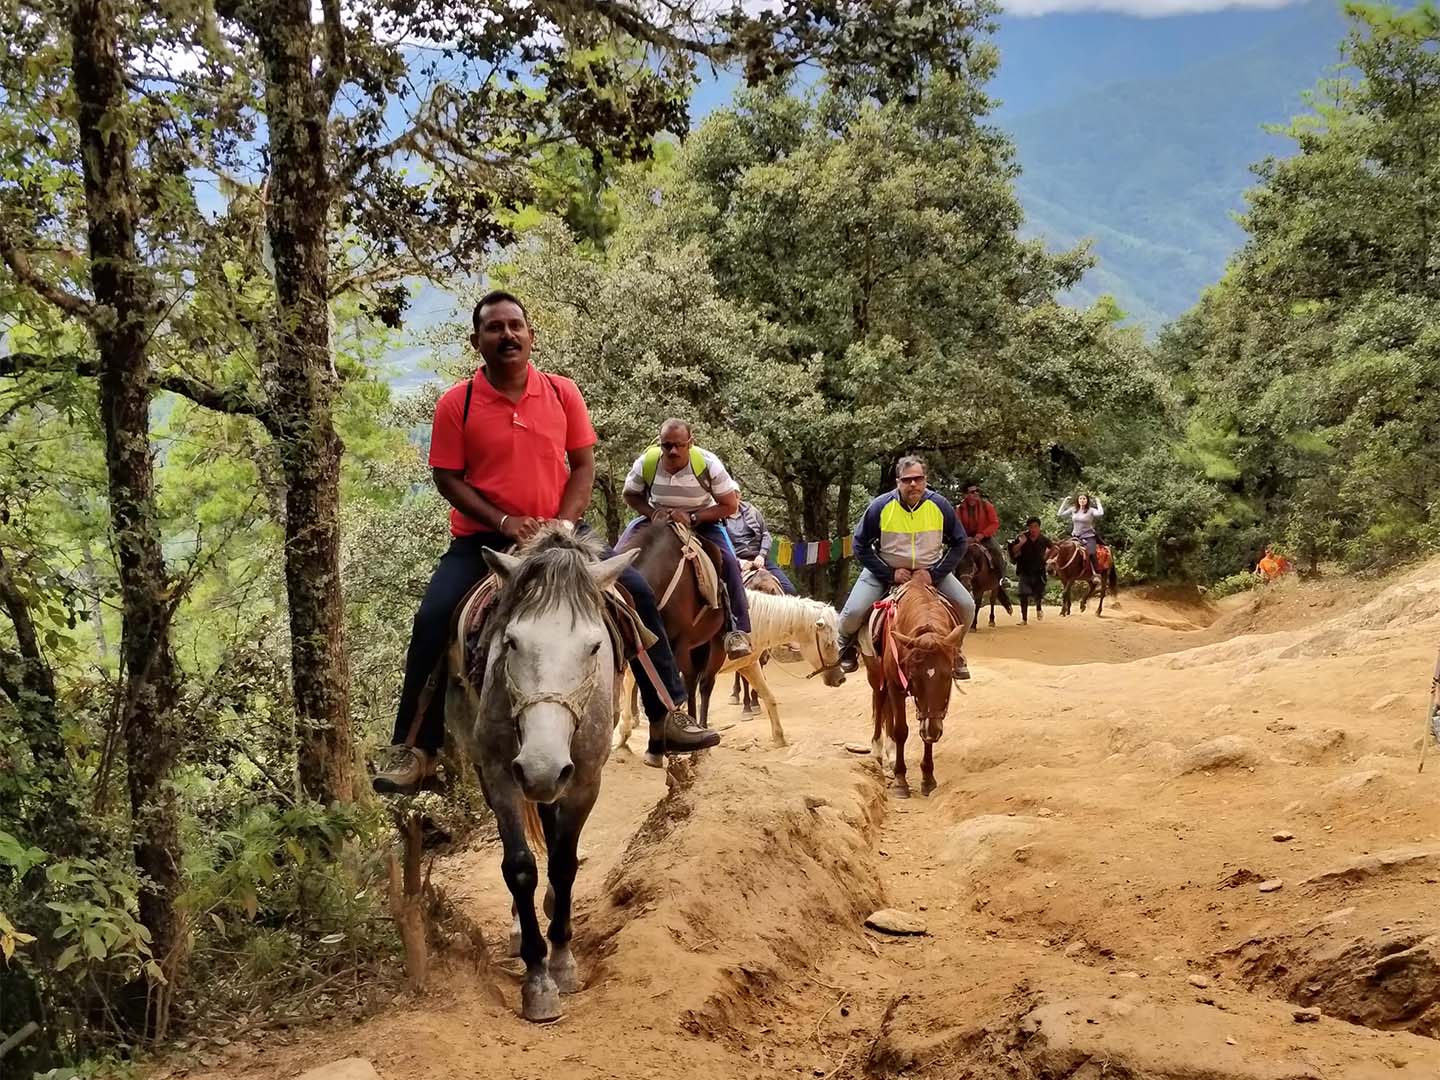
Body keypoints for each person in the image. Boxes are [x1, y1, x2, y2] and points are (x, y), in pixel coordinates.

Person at [372, 292, 718, 794]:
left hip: (561, 534)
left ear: (531, 336)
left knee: (634, 595)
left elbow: (582, 466)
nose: (507, 335)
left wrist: (562, 522)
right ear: (478, 341)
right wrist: (505, 520)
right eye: (495, 328)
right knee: (432, 618)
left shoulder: (561, 393)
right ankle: (415, 748)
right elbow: (447, 477)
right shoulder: (458, 402)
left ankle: (667, 714)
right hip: (484, 540)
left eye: (516, 326)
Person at [620, 420, 754, 661]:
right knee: (616, 558)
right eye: (667, 446)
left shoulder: (709, 465)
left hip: (703, 522)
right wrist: (652, 513)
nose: (672, 451)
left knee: (730, 563)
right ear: (660, 444)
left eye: (679, 446)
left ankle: (738, 630)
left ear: (690, 443)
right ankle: (607, 615)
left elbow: (730, 505)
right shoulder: (647, 463)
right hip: (656, 520)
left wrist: (693, 517)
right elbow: (630, 495)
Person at [836, 455, 976, 679]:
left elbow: (959, 542)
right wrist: (889, 572)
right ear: (898, 482)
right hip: (885, 571)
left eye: (918, 479)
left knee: (967, 606)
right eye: (907, 480)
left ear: (925, 479)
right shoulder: (880, 506)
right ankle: (844, 646)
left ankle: (955, 649)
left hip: (930, 572)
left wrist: (934, 573)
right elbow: (859, 545)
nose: (913, 484)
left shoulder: (940, 505)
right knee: (852, 612)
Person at [724, 497, 797, 596]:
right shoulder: (719, 517)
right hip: (737, 560)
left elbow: (765, 534)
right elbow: (720, 544)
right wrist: (738, 561)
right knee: (732, 596)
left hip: (760, 557)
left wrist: (762, 555)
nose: (733, 498)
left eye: (735, 495)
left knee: (790, 591)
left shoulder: (752, 511)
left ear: (739, 495)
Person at [959, 482, 1008, 584]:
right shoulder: (959, 509)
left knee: (997, 551)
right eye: (972, 492)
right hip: (967, 539)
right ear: (965, 495)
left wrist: (982, 534)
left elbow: (994, 523)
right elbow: (957, 525)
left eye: (977, 491)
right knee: (952, 553)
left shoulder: (987, 506)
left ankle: (1003, 578)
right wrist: (964, 537)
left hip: (985, 538)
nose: (976, 493)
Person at [1009, 517, 1052, 623]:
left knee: (1038, 592)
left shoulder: (1043, 539)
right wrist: (1021, 543)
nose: (1033, 529)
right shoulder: (1022, 537)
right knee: (1023, 594)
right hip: (1024, 569)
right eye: (1031, 527)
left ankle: (1039, 607)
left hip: (1039, 570)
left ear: (1039, 528)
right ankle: (1024, 619)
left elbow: (1054, 548)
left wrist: (1047, 558)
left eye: (1035, 527)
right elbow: (1013, 550)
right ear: (1028, 528)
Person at [1058, 492, 1105, 572]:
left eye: (1084, 498)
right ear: (1078, 500)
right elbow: (1060, 514)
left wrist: (1098, 502)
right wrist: (1065, 502)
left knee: (1091, 552)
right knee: (1064, 549)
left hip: (1088, 536)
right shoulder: (1074, 509)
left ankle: (1095, 573)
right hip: (1075, 536)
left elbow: (1100, 513)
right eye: (1080, 498)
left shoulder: (1091, 510)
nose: (1082, 500)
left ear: (1087, 500)